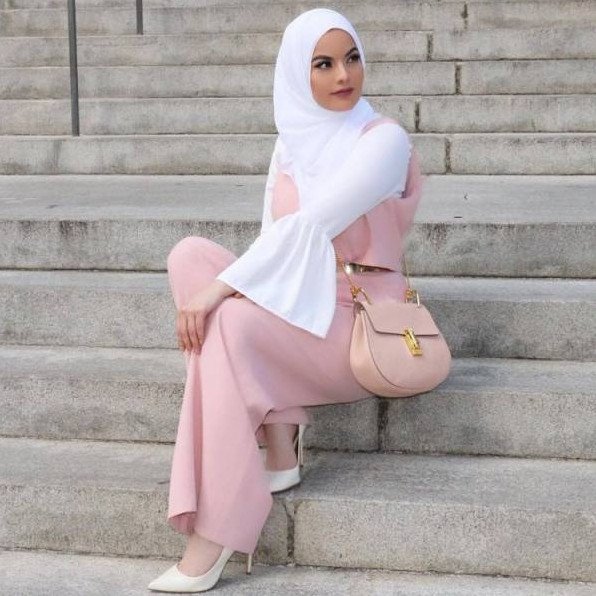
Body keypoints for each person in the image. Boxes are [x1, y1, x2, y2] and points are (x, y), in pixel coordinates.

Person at [148, 7, 424, 593]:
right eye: (322, 64)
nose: (343, 75)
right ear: (298, 73)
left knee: (227, 321)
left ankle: (218, 528)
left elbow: (310, 226)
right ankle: (278, 440)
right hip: (301, 303)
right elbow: (271, 242)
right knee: (189, 257)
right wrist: (218, 286)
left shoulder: (385, 140)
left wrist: (220, 292)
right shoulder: (291, 146)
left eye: (351, 58)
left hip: (357, 320)